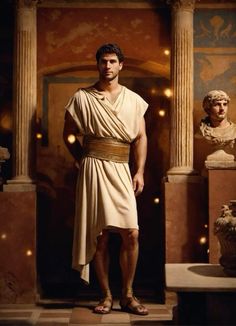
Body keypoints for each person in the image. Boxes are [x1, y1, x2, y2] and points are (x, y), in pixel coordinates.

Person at [63, 43, 149, 315]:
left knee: (131, 233)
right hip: (93, 167)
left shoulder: (134, 100)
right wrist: (81, 157)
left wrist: (139, 171)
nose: (108, 66)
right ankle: (106, 295)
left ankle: (128, 294)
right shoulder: (82, 97)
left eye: (112, 61)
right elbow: (68, 133)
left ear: (121, 65)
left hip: (122, 168)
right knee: (99, 234)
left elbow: (140, 137)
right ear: (98, 65)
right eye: (103, 61)